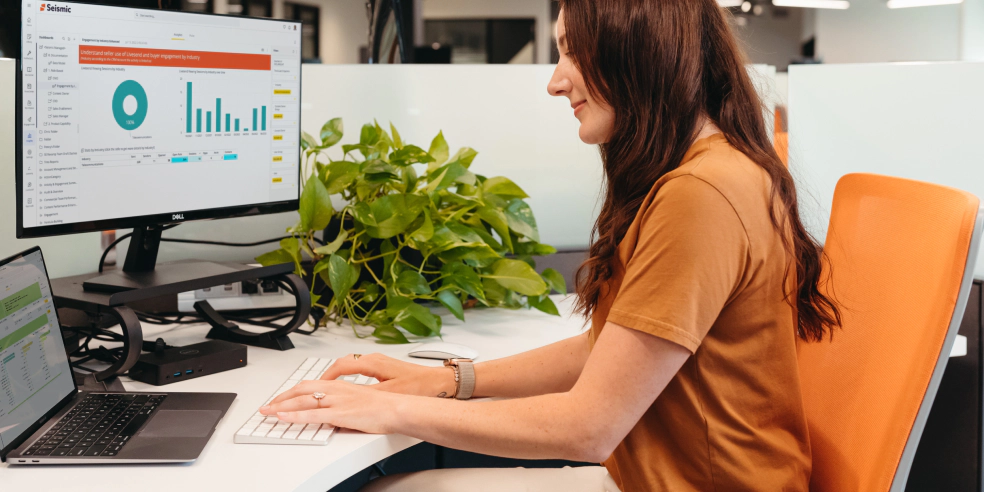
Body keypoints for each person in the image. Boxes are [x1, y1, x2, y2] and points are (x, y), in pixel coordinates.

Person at [260, 0, 841, 490]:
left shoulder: (702, 193)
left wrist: (391, 409)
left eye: (572, 51)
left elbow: (590, 425)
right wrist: (451, 380)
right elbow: (613, 355)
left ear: (635, 49)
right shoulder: (710, 170)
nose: (555, 80)